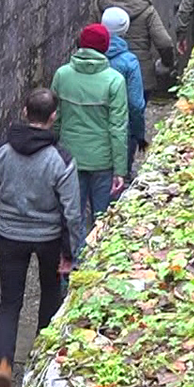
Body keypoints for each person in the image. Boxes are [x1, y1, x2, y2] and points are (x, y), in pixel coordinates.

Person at [0, 88, 83, 387]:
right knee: (50, 295)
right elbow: (72, 211)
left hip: (10, 235)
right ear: (54, 117)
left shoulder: (3, 150)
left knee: (10, 303)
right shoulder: (61, 159)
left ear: (24, 111)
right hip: (48, 236)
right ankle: (39, 366)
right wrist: (71, 251)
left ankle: (4, 366)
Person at [50, 23, 129, 254]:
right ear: (105, 48)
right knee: (101, 216)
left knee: (70, 216)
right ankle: (98, 264)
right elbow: (118, 127)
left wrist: (53, 153)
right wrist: (120, 170)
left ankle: (70, 267)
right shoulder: (114, 80)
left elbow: (55, 119)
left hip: (69, 157)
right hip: (103, 159)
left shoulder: (62, 75)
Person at [96, 0, 175, 98]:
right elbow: (164, 42)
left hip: (106, 70)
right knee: (136, 110)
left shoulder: (101, 6)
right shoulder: (147, 10)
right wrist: (167, 63)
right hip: (140, 72)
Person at [99, 7, 146, 178]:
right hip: (122, 129)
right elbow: (136, 104)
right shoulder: (129, 61)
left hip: (93, 131)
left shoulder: (88, 56)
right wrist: (139, 133)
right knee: (120, 178)